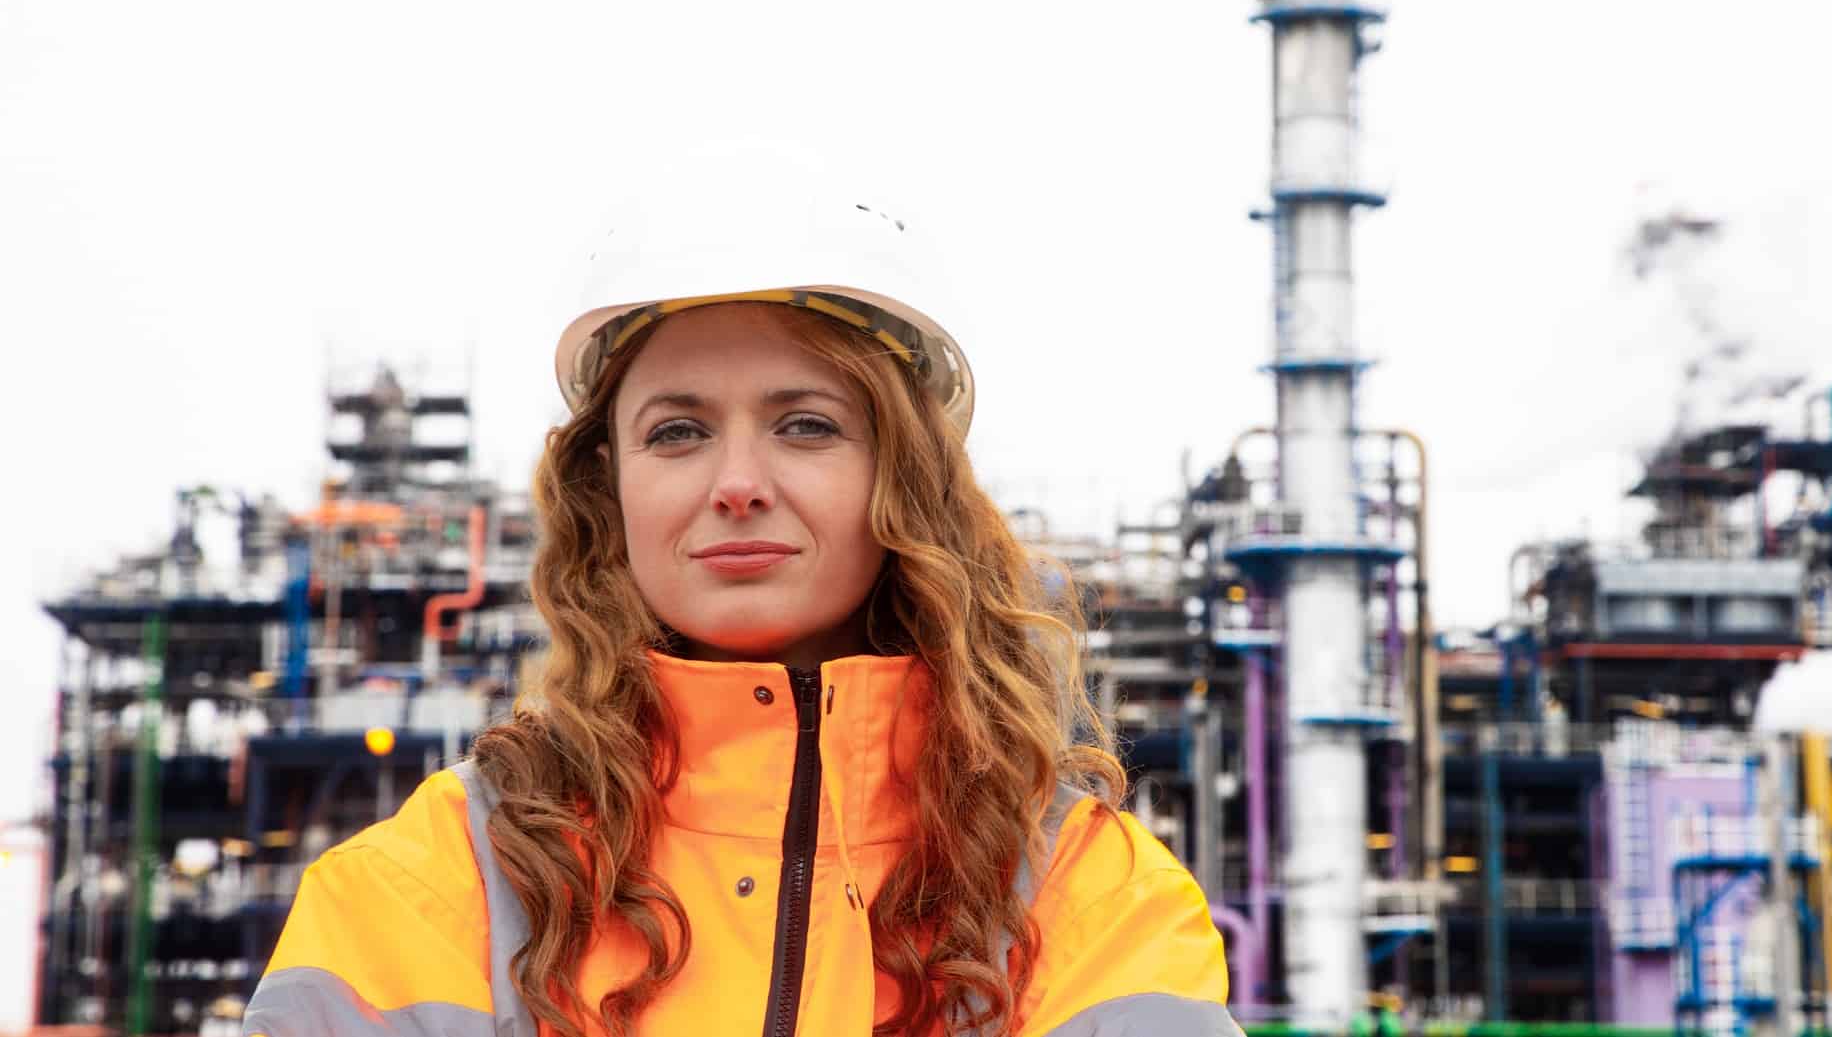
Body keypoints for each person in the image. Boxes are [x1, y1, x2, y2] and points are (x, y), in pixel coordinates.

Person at [241, 154, 1237, 1036]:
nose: (736, 481)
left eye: (805, 424)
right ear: (610, 486)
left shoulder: (1082, 890)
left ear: (908, 474)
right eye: (677, 431)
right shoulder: (450, 873)